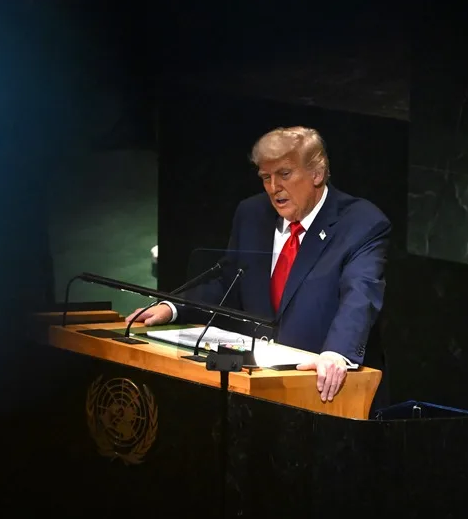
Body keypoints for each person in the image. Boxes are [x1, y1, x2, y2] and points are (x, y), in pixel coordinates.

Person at [126, 126, 390, 409]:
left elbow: (359, 295)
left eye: (284, 174)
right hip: (254, 386)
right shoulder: (252, 214)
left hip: (322, 391)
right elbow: (228, 280)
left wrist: (336, 353)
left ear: (317, 173)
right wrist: (174, 307)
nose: (274, 188)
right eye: (266, 177)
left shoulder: (361, 223)